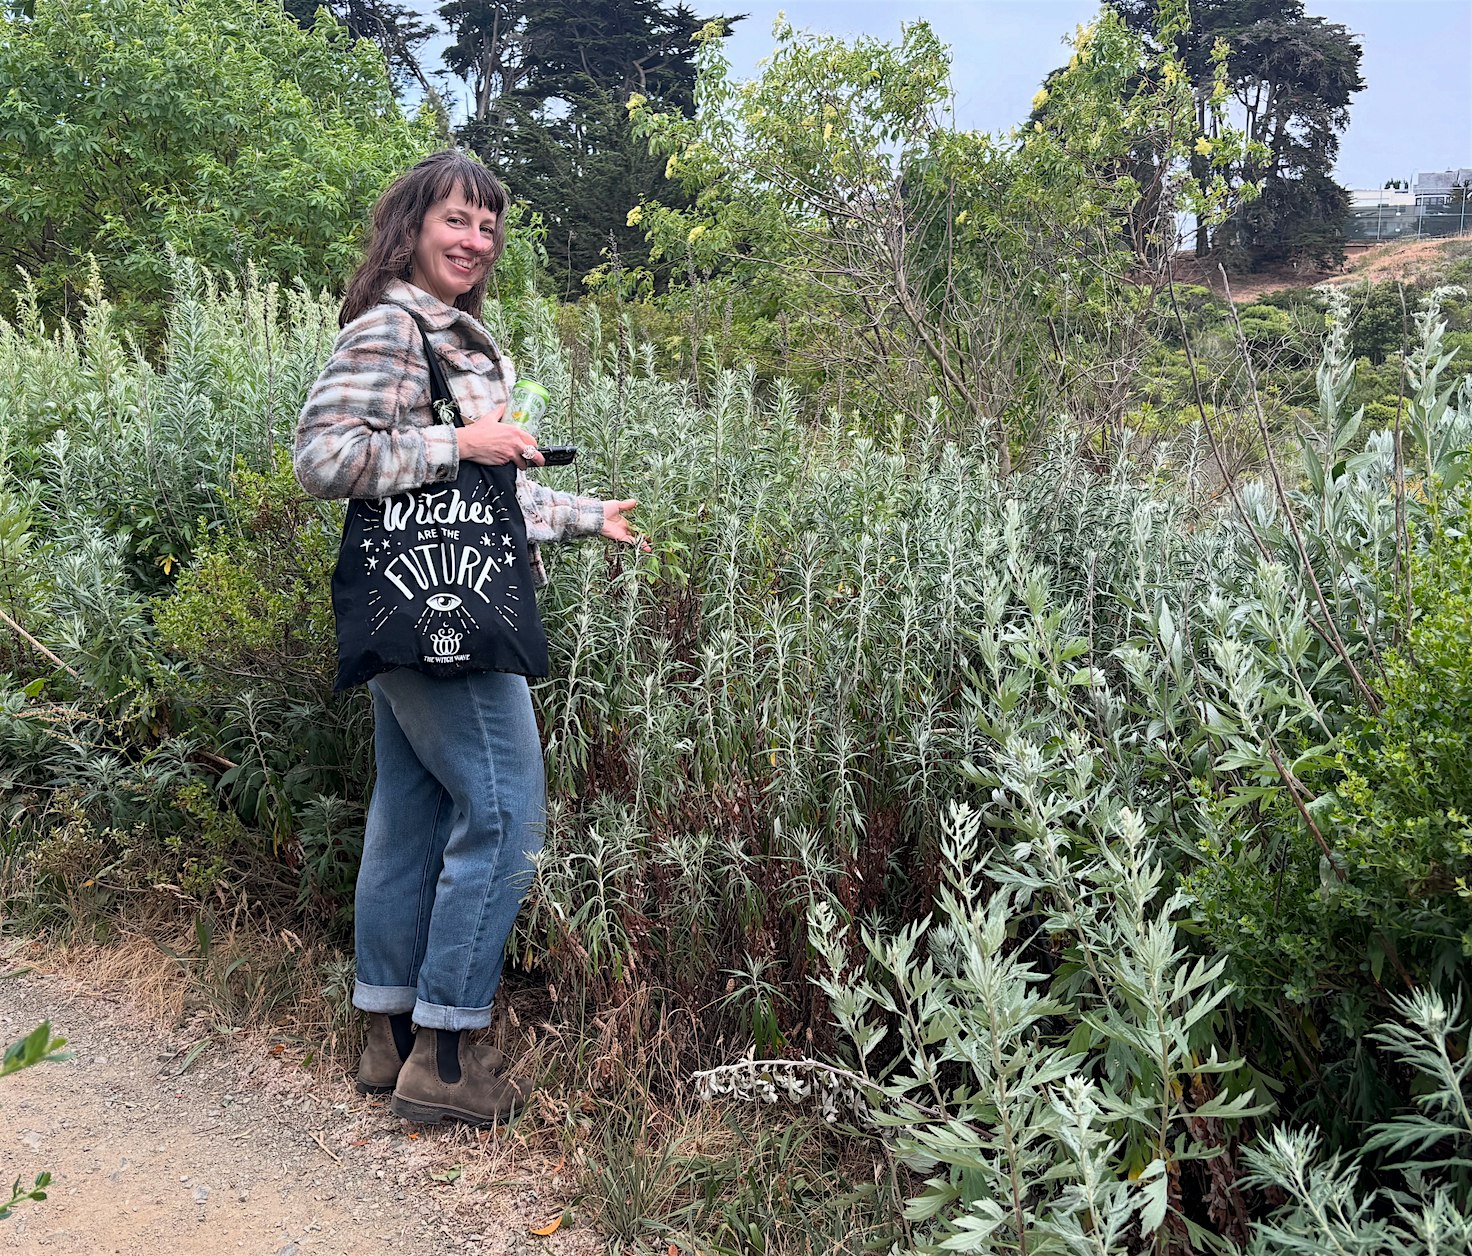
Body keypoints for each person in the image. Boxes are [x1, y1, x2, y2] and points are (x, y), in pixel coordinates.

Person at [293, 150, 644, 1126]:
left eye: (487, 226)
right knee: (503, 813)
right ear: (412, 224)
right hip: (444, 614)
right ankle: (446, 1060)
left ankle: (387, 1035)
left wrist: (582, 516)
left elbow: (479, 497)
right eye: (457, 219)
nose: (474, 240)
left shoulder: (441, 334)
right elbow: (321, 456)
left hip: (417, 599)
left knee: (409, 816)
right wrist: (461, 440)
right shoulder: (393, 327)